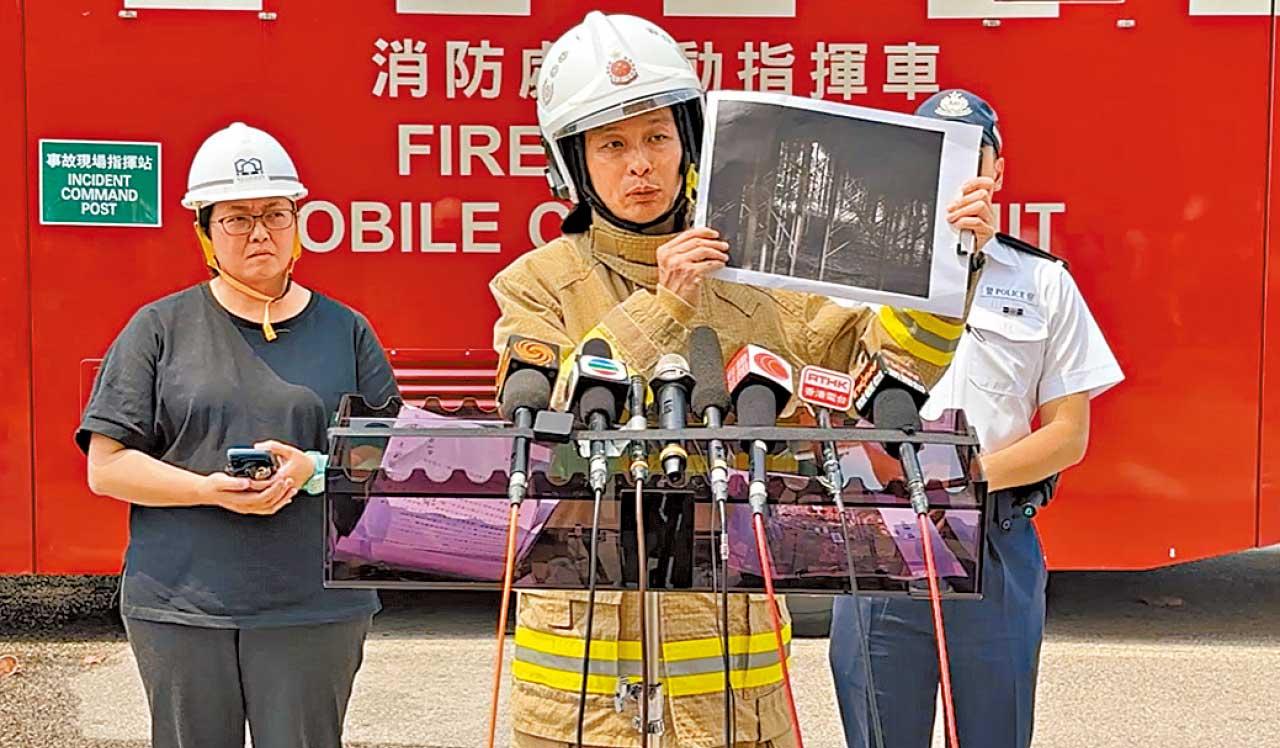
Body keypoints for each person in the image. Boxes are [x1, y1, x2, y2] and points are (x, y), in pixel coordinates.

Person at [489, 13, 992, 747]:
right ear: (573, 164)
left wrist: (951, 263)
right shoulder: (536, 285)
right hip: (581, 701)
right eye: (612, 145)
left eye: (658, 138)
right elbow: (547, 426)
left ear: (690, 144)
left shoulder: (761, 279)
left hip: (732, 684)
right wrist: (666, 305)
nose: (640, 165)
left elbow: (880, 364)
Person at [77, 122, 400, 748]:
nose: (260, 232)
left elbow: (388, 456)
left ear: (298, 222)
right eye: (236, 218)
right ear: (204, 231)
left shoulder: (347, 330)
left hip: (315, 605)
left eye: (276, 213)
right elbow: (107, 466)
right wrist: (205, 489)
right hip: (181, 605)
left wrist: (313, 469)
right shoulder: (158, 328)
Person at [828, 89, 1125, 748]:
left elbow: (1068, 434)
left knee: (995, 730)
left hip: (994, 537)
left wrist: (965, 479)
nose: (954, 175)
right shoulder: (857, 277)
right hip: (881, 534)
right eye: (935, 158)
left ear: (997, 173)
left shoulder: (1042, 281)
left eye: (971, 157)